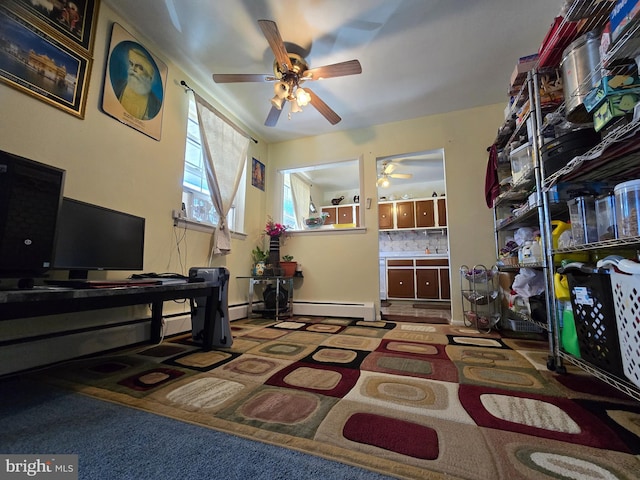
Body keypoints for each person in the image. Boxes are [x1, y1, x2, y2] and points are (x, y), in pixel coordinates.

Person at [112, 47, 161, 120]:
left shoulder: (156, 105)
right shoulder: (117, 85)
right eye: (131, 64)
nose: (133, 69)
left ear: (149, 77)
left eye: (140, 67)